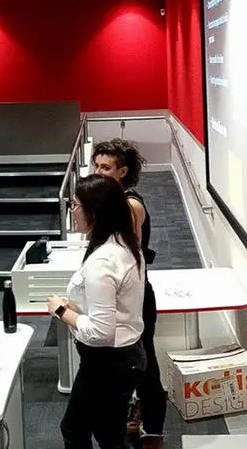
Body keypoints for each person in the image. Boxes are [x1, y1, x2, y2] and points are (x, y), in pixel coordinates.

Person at [48, 174, 147, 449]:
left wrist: (60, 310)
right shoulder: (123, 243)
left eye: (76, 205)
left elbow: (101, 333)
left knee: (75, 429)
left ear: (94, 212)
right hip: (122, 358)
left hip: (108, 363)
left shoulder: (103, 261)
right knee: (108, 433)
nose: (72, 211)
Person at [91, 139, 164, 444]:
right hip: (122, 297)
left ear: (122, 171)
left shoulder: (131, 205)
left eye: (105, 167)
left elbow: (126, 259)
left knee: (145, 364)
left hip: (135, 298)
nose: (98, 171)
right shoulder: (109, 202)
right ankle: (136, 415)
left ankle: (154, 431)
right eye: (96, 165)